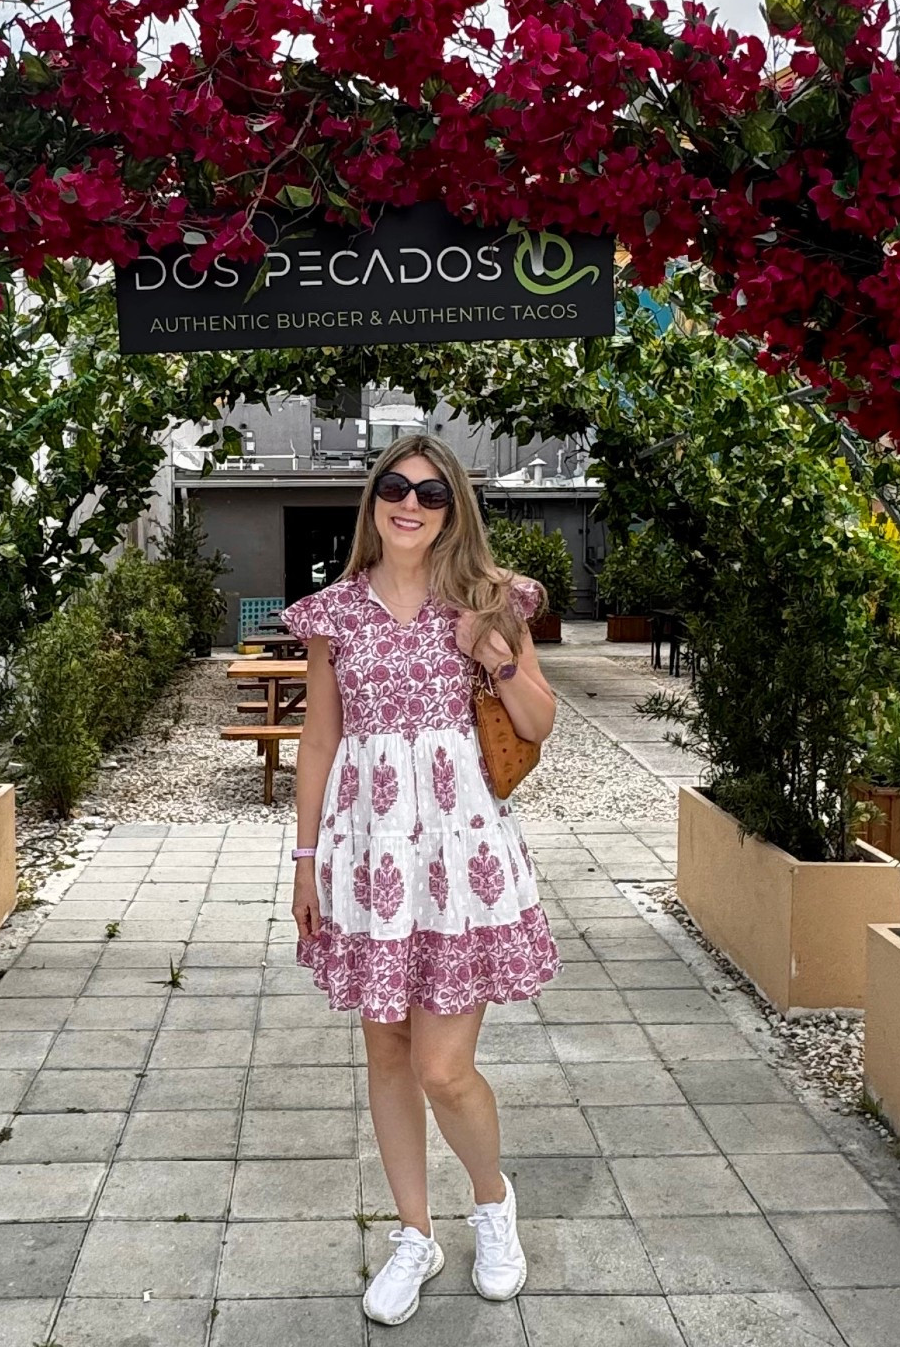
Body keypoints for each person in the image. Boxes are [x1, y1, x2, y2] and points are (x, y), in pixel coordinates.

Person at [285, 433, 560, 1328]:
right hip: (367, 859)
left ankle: (492, 1205)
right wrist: (303, 861)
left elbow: (538, 721)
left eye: (432, 492)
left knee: (445, 1067)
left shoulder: (487, 599)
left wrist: (496, 653)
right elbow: (321, 743)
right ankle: (416, 1234)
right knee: (388, 1054)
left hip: (457, 855)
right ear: (373, 501)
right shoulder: (334, 615)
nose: (410, 503)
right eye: (395, 487)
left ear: (453, 509)